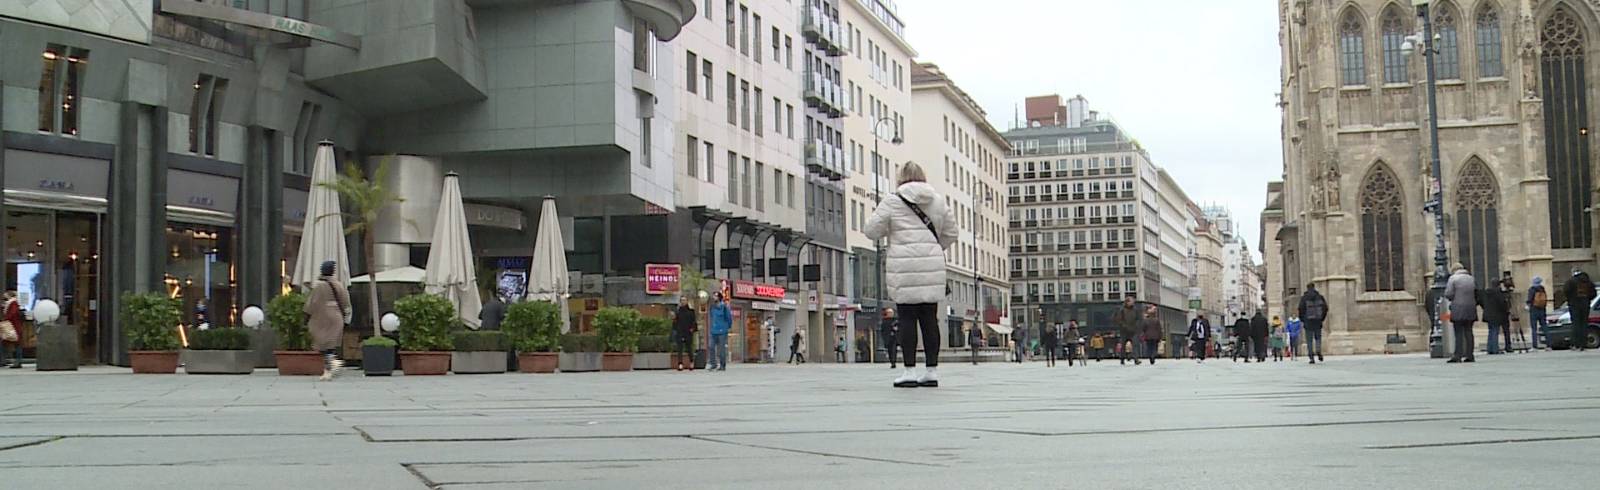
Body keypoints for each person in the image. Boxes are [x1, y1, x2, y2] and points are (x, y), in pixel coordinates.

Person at [863, 162, 958, 388]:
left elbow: (871, 231)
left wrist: (891, 233)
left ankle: (909, 371)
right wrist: (933, 247)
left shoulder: (892, 200)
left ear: (900, 178)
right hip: (932, 265)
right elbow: (952, 233)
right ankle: (932, 371)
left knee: (906, 318)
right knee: (929, 319)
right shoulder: (937, 200)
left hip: (903, 265)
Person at [303, 260, 351, 381]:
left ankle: (331, 367)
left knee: (323, 345)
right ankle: (331, 367)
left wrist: (306, 318)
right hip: (337, 317)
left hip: (322, 318)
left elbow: (311, 304)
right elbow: (346, 303)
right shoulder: (339, 285)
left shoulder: (319, 286)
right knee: (331, 345)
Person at [1443, 263, 1480, 363]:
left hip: (1458, 309)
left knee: (1458, 333)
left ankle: (1457, 355)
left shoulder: (1453, 279)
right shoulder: (1471, 278)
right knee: (1469, 332)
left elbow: (1448, 294)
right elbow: (1477, 293)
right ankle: (1470, 355)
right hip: (1471, 309)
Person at [1562, 267, 1595, 352]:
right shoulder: (1588, 281)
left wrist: (1571, 299)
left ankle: (1576, 344)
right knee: (1584, 324)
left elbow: (1566, 291)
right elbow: (1593, 293)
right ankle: (1583, 344)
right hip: (1585, 304)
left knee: (1576, 324)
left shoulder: (1571, 281)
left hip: (1574, 304)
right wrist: (1587, 299)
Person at [1299, 282, 1330, 364]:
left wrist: (1303, 319)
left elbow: (1300, 309)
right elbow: (1325, 308)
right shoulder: (1320, 297)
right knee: (1318, 338)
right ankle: (1318, 351)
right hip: (1318, 321)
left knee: (1309, 340)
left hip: (1308, 321)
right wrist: (1322, 318)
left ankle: (1311, 357)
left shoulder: (1304, 298)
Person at [1482, 275, 1512, 355]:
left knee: (1491, 331)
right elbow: (1502, 304)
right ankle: (1495, 349)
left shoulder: (1487, 292)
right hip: (1496, 315)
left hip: (1488, 315)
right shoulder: (1498, 292)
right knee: (1495, 331)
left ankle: (1490, 348)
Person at [1112, 296, 1140, 365]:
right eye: (1131, 301)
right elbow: (1119, 320)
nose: (1133, 302)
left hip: (1133, 330)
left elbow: (1138, 319)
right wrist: (1124, 326)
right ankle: (1122, 358)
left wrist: (1136, 326)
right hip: (1124, 330)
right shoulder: (1122, 310)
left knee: (1135, 345)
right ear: (1127, 302)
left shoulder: (1135, 309)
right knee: (1123, 345)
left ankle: (1136, 359)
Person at [708, 292, 732, 371]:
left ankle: (722, 365)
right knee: (711, 347)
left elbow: (729, 318)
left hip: (722, 331)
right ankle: (713, 364)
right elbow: (712, 317)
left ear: (719, 297)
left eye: (715, 296)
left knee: (721, 349)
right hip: (714, 330)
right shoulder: (712, 307)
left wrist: (727, 327)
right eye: (713, 296)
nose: (714, 298)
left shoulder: (724, 307)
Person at [672, 297, 697, 371]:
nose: (683, 302)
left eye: (684, 300)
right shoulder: (678, 311)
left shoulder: (691, 311)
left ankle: (691, 362)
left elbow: (694, 321)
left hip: (688, 332)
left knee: (689, 348)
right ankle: (680, 364)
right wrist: (674, 321)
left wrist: (692, 329)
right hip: (680, 332)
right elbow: (675, 323)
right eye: (682, 300)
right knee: (680, 349)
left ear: (687, 301)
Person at [1, 291, 22, 368]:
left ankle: (17, 362)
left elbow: (12, 313)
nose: (4, 296)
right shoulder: (11, 303)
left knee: (15, 344)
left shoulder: (13, 303)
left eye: (6, 294)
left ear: (9, 295)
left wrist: (6, 319)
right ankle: (5, 360)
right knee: (7, 343)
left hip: (12, 327)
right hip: (13, 326)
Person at [1528, 276, 1549, 350]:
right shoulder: (1542, 289)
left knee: (1534, 328)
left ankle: (1534, 346)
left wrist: (1527, 305)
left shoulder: (1532, 289)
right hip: (1542, 310)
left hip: (1534, 310)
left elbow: (1530, 299)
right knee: (1544, 327)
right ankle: (1549, 345)